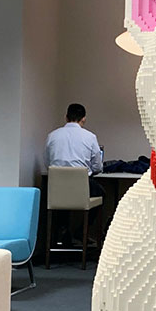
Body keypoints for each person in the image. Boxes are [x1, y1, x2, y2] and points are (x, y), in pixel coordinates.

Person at [45, 103, 105, 245]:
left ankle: (63, 231)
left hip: (56, 189)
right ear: (83, 119)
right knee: (102, 193)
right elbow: (97, 166)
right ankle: (82, 231)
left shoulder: (52, 136)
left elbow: (47, 163)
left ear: (66, 117)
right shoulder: (90, 137)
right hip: (81, 186)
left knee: (63, 199)